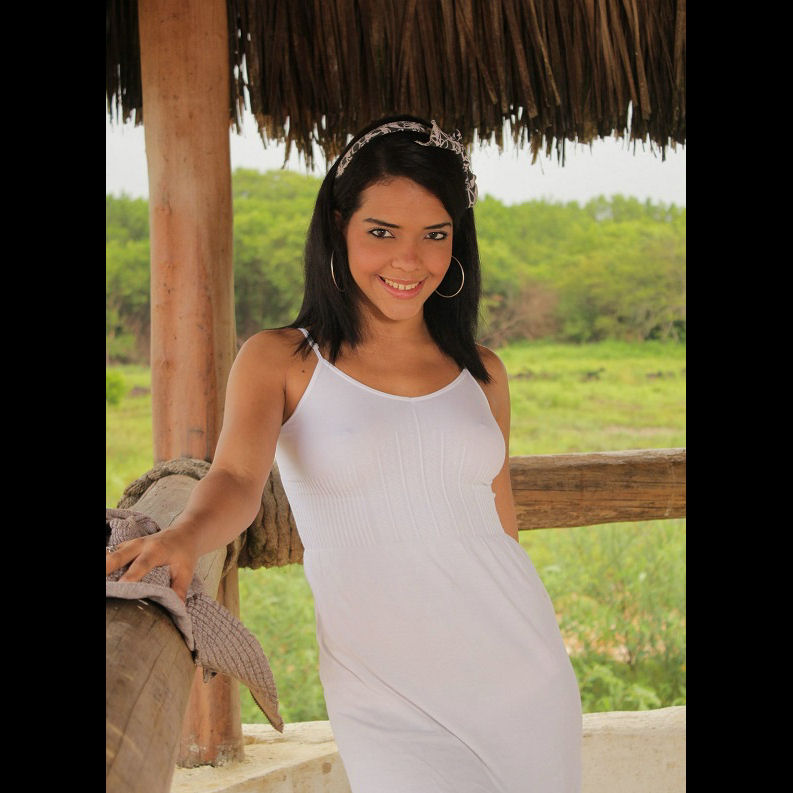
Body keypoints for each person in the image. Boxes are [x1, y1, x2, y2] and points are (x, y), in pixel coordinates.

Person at [106, 115, 583, 792]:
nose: (409, 260)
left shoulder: (482, 372)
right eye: (382, 232)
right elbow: (236, 477)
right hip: (385, 693)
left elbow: (499, 524)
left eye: (435, 234)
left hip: (523, 676)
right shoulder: (282, 359)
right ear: (338, 226)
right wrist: (183, 536)